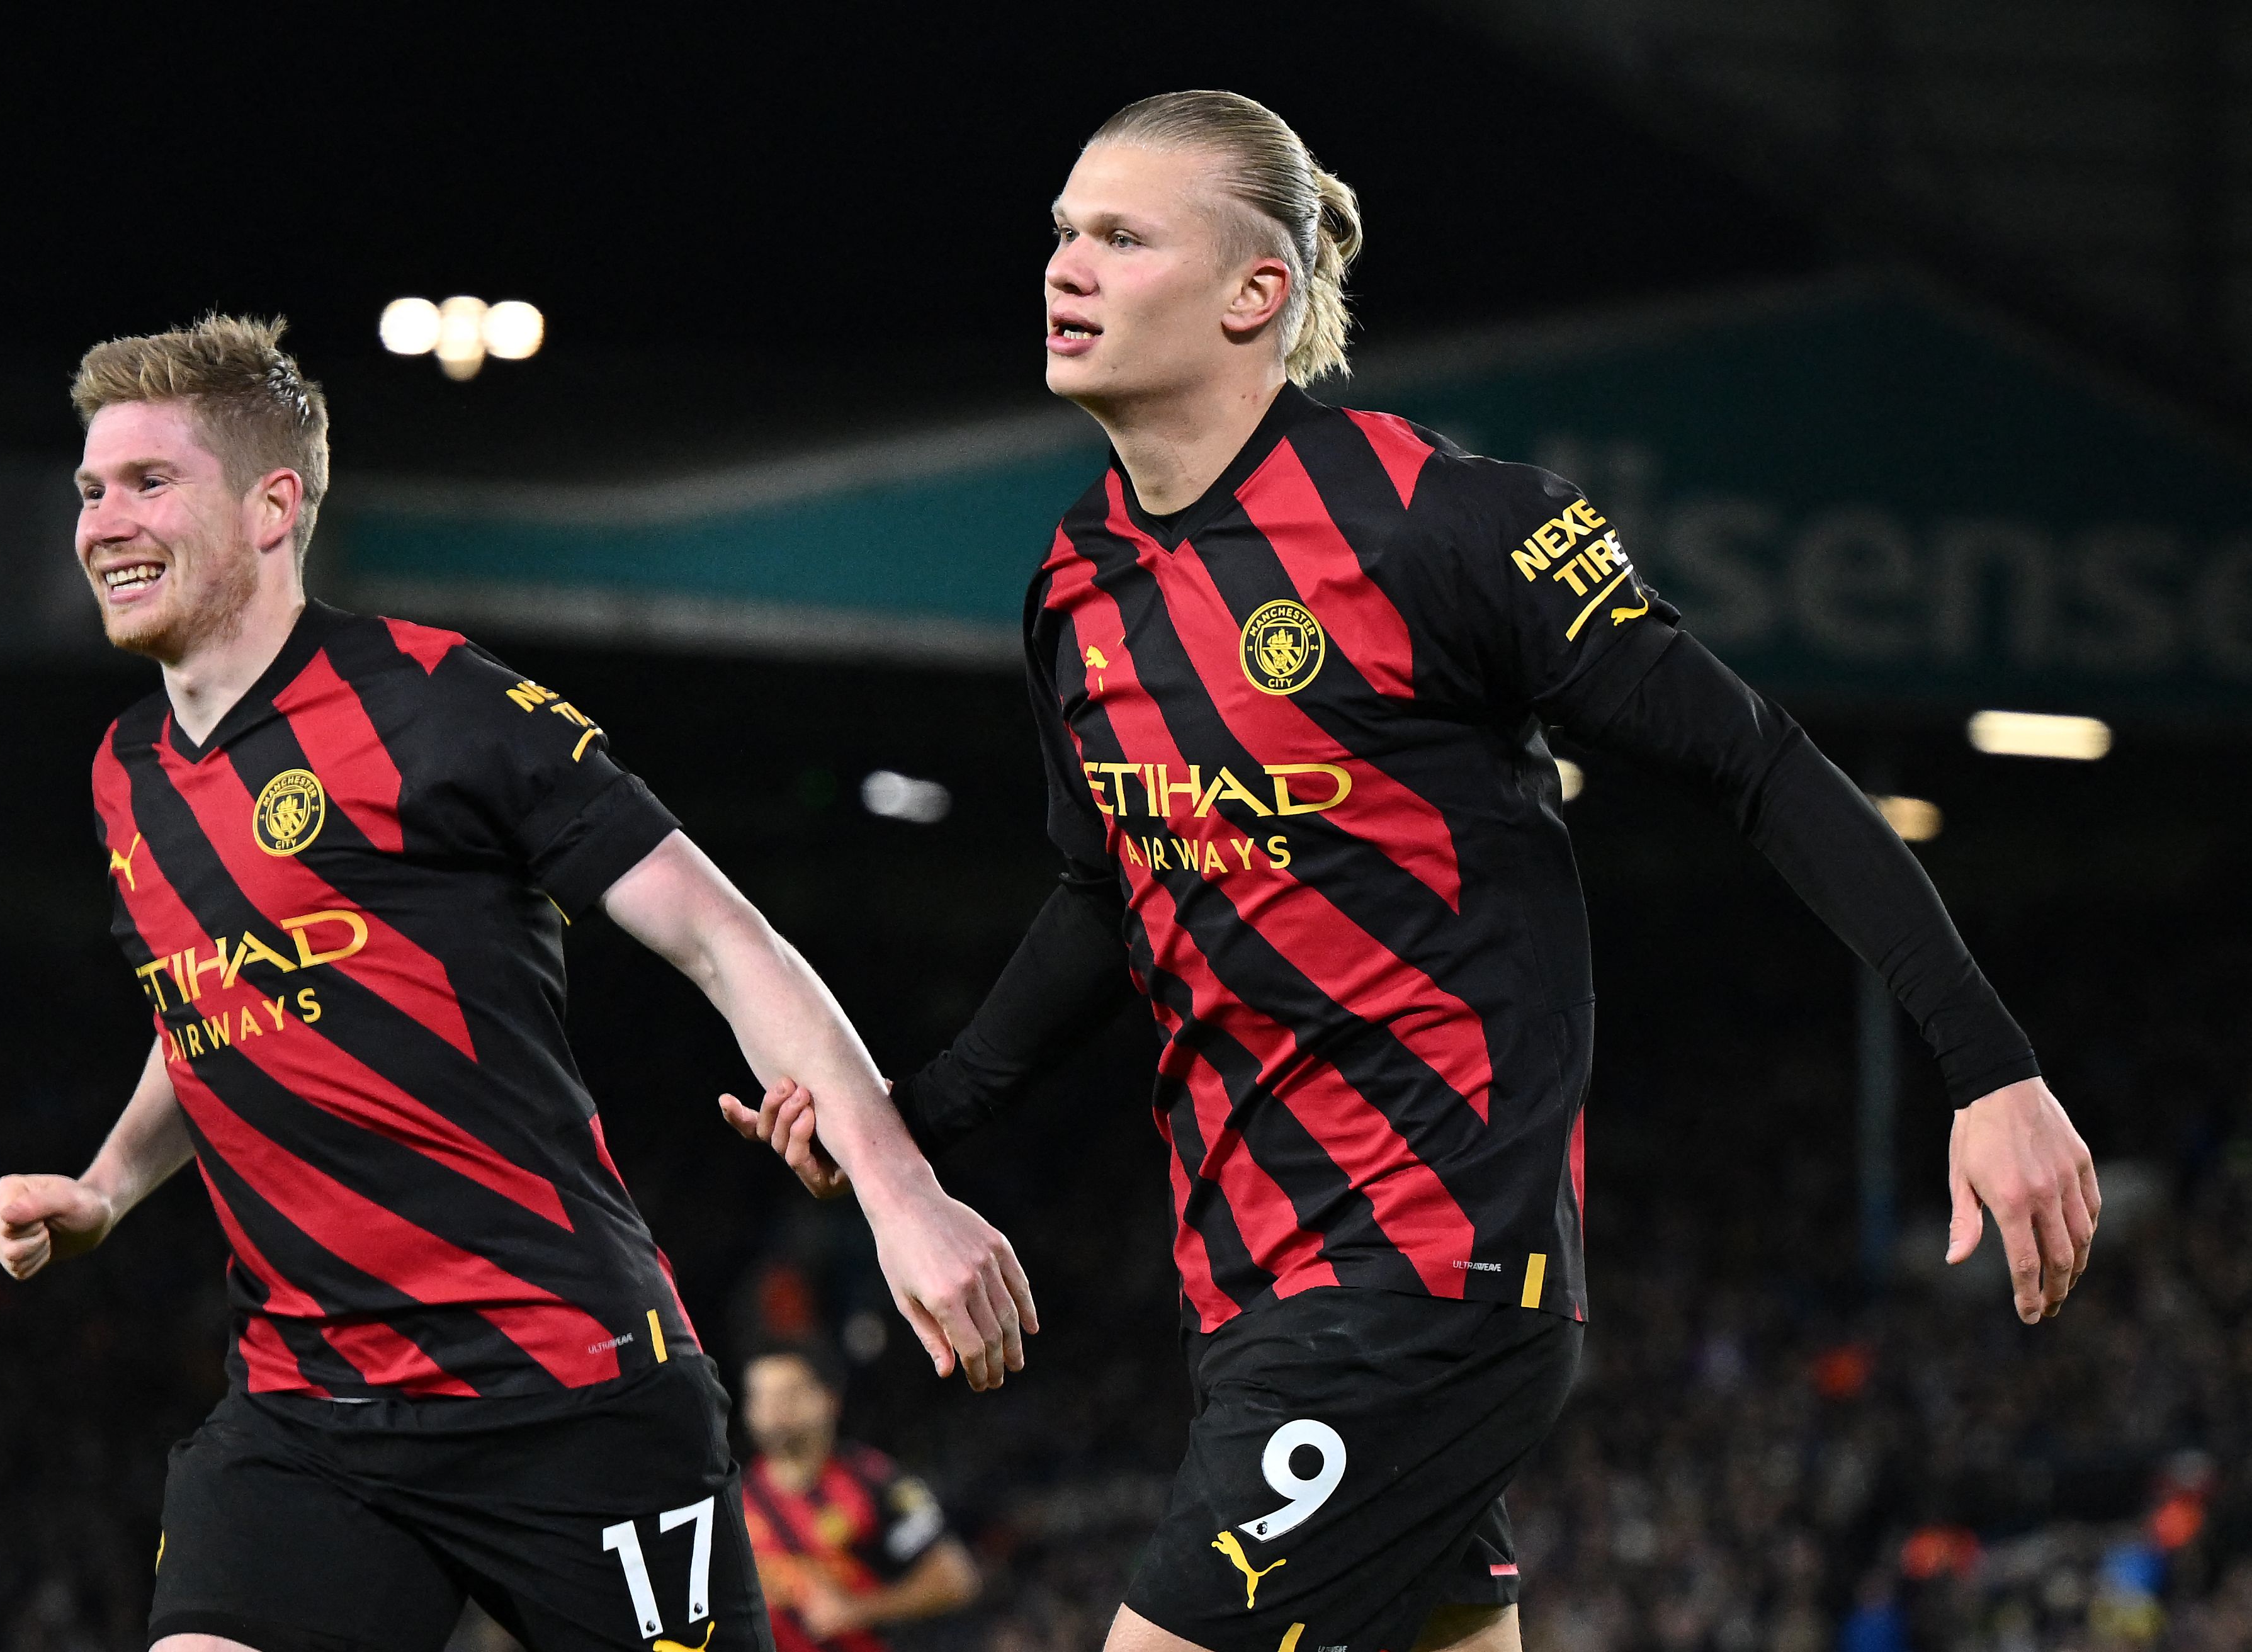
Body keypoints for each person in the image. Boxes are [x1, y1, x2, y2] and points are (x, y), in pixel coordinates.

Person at [721, 91, 2100, 1652]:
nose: (1066, 266)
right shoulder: (1071, 585)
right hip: (1248, 1288)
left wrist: (1987, 1066)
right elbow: (1114, 896)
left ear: (1258, 294)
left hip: (1426, 1277)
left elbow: (1756, 761)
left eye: (1119, 234)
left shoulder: (1441, 523)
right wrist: (917, 1114)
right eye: (1058, 233)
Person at [0, 315, 1038, 1652]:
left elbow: (726, 938)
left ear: (271, 507)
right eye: (88, 489)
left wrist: (903, 1196)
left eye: (146, 484)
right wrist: (107, 1186)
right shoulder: (122, 774)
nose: (103, 521)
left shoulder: (442, 705)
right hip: (310, 1409)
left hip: (570, 1392)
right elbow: (211, 1011)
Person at [739, 1341, 982, 1650]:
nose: (774, 1411)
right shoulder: (732, 1502)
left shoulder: (873, 1480)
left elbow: (956, 1579)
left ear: (829, 1400)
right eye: (761, 1398)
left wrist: (858, 1611)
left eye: (789, 1395)